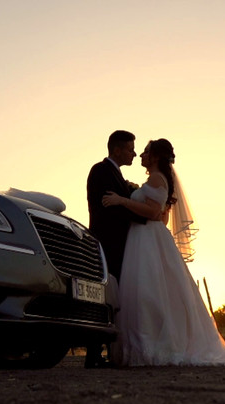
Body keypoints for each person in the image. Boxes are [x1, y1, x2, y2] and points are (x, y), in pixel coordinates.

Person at [102, 139, 225, 366]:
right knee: (148, 291)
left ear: (155, 156)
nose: (141, 154)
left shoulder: (155, 178)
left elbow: (153, 213)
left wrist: (122, 200)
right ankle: (143, 346)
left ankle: (149, 347)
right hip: (146, 238)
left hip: (148, 239)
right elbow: (163, 216)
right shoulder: (159, 180)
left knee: (147, 291)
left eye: (145, 151)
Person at [85, 130, 146, 368]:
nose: (134, 153)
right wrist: (147, 218)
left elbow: (121, 199)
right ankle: (93, 354)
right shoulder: (100, 171)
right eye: (130, 149)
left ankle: (107, 351)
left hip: (120, 244)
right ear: (117, 149)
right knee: (105, 296)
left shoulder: (115, 174)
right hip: (108, 242)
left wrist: (129, 193)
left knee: (116, 296)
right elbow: (110, 208)